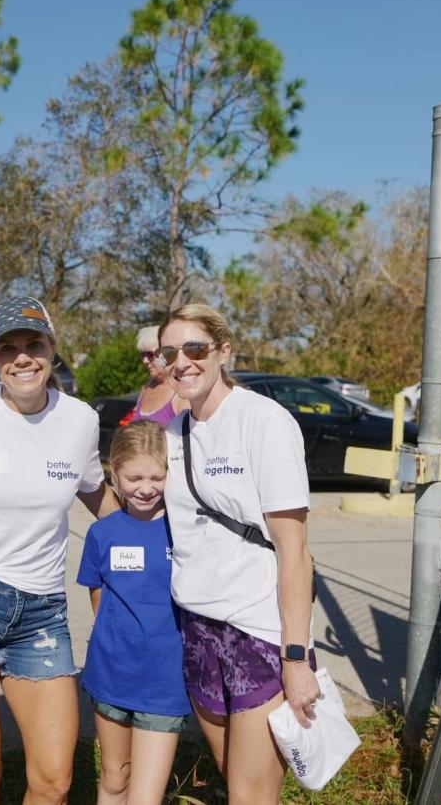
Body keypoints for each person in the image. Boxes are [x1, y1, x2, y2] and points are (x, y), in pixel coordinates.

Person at [0, 296, 119, 805]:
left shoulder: (80, 420)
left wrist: (168, 536)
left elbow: (98, 495)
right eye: (8, 348)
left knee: (55, 781)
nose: (23, 358)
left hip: (42, 613)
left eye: (33, 344)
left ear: (52, 348)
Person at [158, 303, 320, 803]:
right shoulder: (173, 432)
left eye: (195, 349)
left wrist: (295, 657)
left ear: (223, 351)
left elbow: (295, 550)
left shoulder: (264, 422)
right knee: (236, 778)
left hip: (258, 630)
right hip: (198, 625)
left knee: (253, 793)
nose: (182, 361)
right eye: (170, 352)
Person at [77, 421, 189, 805]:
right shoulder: (102, 534)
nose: (146, 488)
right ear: (115, 472)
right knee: (113, 778)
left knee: (144, 796)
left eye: (157, 477)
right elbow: (98, 600)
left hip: (164, 681)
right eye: (134, 477)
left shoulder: (185, 532)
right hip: (111, 674)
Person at [127, 325, 186, 427]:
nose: (145, 361)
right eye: (142, 355)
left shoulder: (181, 391)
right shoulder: (147, 385)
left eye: (150, 355)